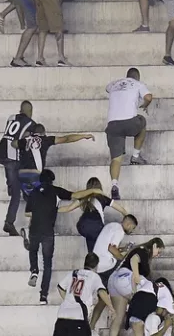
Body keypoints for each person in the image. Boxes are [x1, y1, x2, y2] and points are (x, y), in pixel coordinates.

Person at [27, 170, 104, 304]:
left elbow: (28, 213)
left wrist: (45, 211)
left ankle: (34, 270)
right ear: (51, 180)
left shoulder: (33, 192)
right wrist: (93, 191)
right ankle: (43, 296)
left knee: (33, 251)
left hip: (34, 229)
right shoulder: (55, 190)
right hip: (47, 232)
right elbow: (75, 195)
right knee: (47, 263)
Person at [16, 124, 95, 243]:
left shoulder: (24, 141)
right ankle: (30, 230)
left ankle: (31, 229)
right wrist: (83, 136)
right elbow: (66, 138)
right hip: (35, 175)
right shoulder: (45, 139)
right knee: (43, 201)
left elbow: (13, 144)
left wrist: (25, 137)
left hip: (22, 176)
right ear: (43, 133)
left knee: (33, 202)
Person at [49, 253, 114, 336]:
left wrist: (68, 301)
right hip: (78, 320)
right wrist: (111, 307)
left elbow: (60, 287)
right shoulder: (94, 276)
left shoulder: (73, 273)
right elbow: (101, 291)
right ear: (96, 266)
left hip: (62, 318)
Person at [106, 238, 165, 336]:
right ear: (154, 245)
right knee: (149, 290)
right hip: (125, 278)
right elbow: (134, 260)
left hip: (114, 281)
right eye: (159, 251)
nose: (158, 255)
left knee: (119, 316)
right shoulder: (143, 251)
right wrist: (137, 276)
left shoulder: (141, 252)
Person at [105, 68, 153, 200]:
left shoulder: (114, 84)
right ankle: (135, 156)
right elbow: (149, 97)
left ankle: (114, 185)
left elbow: (107, 89)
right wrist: (145, 105)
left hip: (113, 124)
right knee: (142, 121)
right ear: (137, 77)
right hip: (129, 122)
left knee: (116, 159)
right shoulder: (138, 84)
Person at [88, 217, 138, 336]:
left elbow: (108, 247)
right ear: (128, 223)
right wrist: (123, 257)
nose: (131, 230)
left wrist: (122, 249)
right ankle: (91, 327)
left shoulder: (111, 226)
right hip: (105, 267)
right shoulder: (120, 230)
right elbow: (111, 249)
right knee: (103, 297)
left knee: (102, 298)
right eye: (132, 227)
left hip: (98, 266)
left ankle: (91, 327)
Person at [0, 100, 35, 236]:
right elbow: (25, 143)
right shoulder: (31, 123)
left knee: (13, 176)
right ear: (30, 112)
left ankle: (11, 184)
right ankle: (9, 223)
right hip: (13, 158)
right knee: (17, 195)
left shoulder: (11, 118)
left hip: (0, 153)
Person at [61, 177, 129, 252]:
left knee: (92, 250)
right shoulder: (103, 197)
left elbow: (68, 208)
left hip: (83, 226)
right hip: (96, 227)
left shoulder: (83, 197)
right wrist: (129, 220)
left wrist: (52, 209)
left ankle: (91, 259)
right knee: (102, 249)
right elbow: (122, 209)